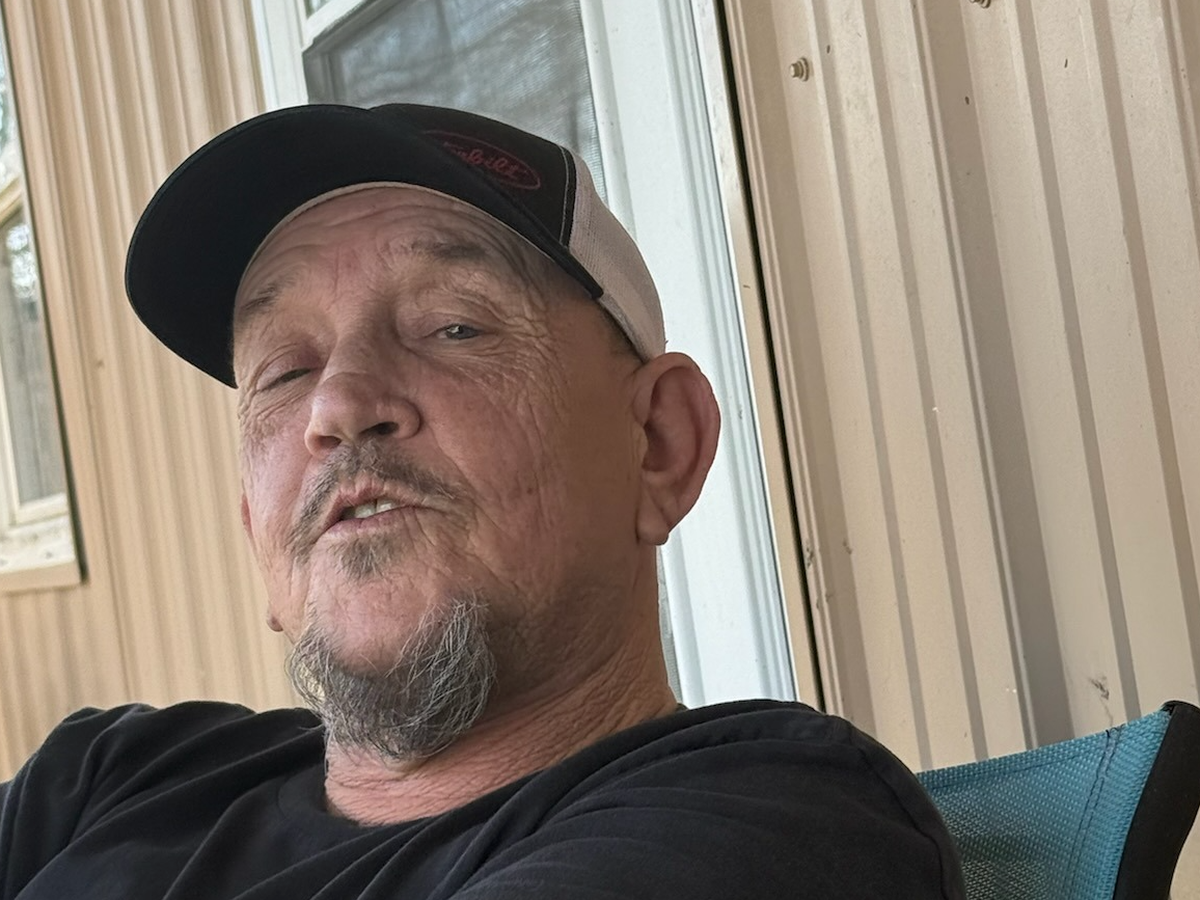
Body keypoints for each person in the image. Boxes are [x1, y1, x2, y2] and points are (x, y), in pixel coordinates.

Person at [0, 103, 965, 899]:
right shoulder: (102, 778)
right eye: (284, 369)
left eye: (454, 327)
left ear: (660, 445)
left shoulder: (767, 829)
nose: (338, 405)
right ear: (255, 525)